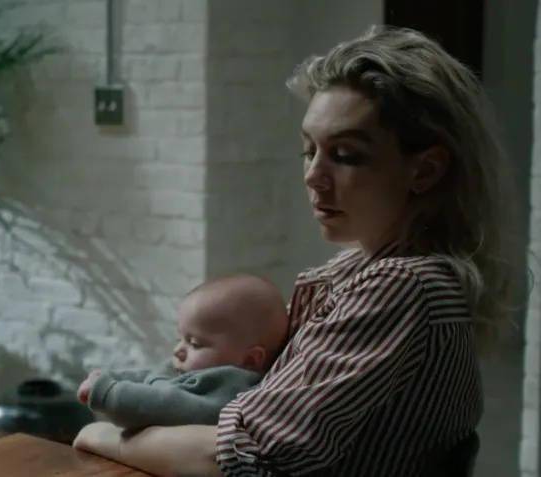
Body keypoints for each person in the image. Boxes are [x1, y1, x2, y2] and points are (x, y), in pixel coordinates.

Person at [74, 26, 517, 476]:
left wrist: (102, 436)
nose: (313, 176)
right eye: (309, 150)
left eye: (345, 155)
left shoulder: (404, 286)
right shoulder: (355, 271)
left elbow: (243, 457)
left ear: (425, 170)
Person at [75, 275, 287, 431]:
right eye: (180, 339)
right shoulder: (193, 371)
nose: (178, 350)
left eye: (194, 343)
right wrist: (111, 377)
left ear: (249, 360)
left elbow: (166, 405)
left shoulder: (231, 390)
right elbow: (154, 376)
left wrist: (107, 392)